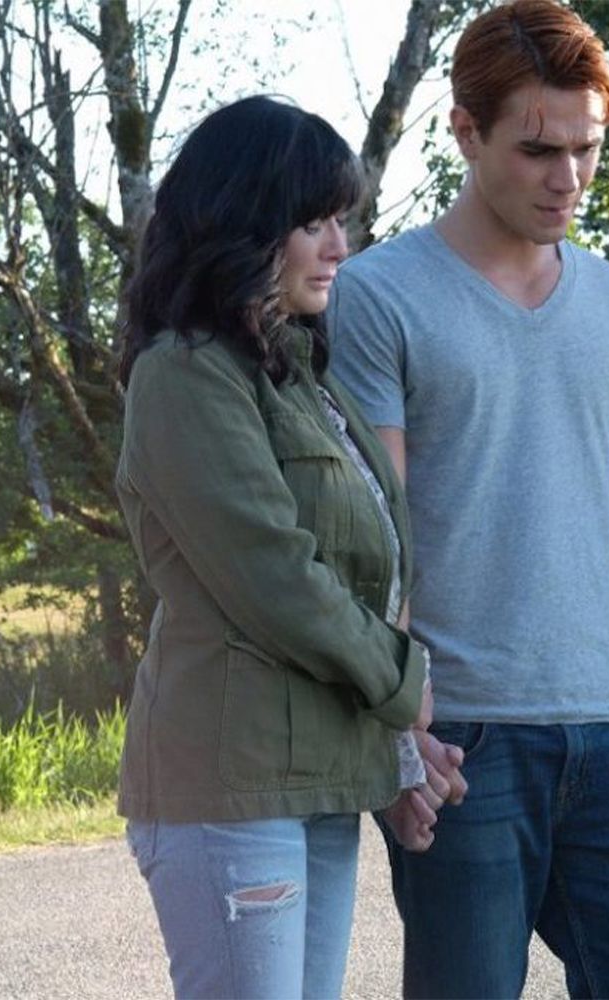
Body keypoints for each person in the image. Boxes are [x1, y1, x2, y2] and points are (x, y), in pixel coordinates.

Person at [325, 2, 609, 997]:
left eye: (587, 149)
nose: (569, 178)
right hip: (462, 739)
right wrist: (400, 730)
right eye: (539, 150)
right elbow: (379, 537)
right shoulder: (378, 294)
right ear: (465, 131)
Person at [115, 96, 463, 998]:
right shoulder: (183, 373)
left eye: (341, 219)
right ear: (243, 224)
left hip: (317, 784)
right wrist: (407, 683)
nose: (340, 245)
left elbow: (371, 570)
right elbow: (278, 577)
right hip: (229, 785)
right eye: (314, 222)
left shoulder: (300, 374)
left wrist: (393, 751)